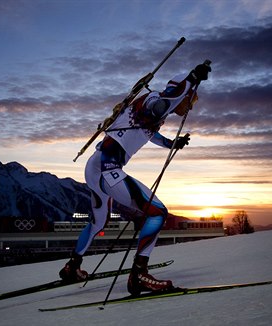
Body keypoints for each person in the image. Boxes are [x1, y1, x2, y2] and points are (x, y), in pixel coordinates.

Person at [59, 62, 211, 296]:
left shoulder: (152, 111)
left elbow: (149, 132)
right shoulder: (155, 103)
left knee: (98, 222)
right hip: (108, 168)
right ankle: (139, 274)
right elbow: (167, 99)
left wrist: (172, 144)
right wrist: (191, 79)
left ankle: (73, 266)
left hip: (96, 166)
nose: (191, 107)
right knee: (157, 212)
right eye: (191, 100)